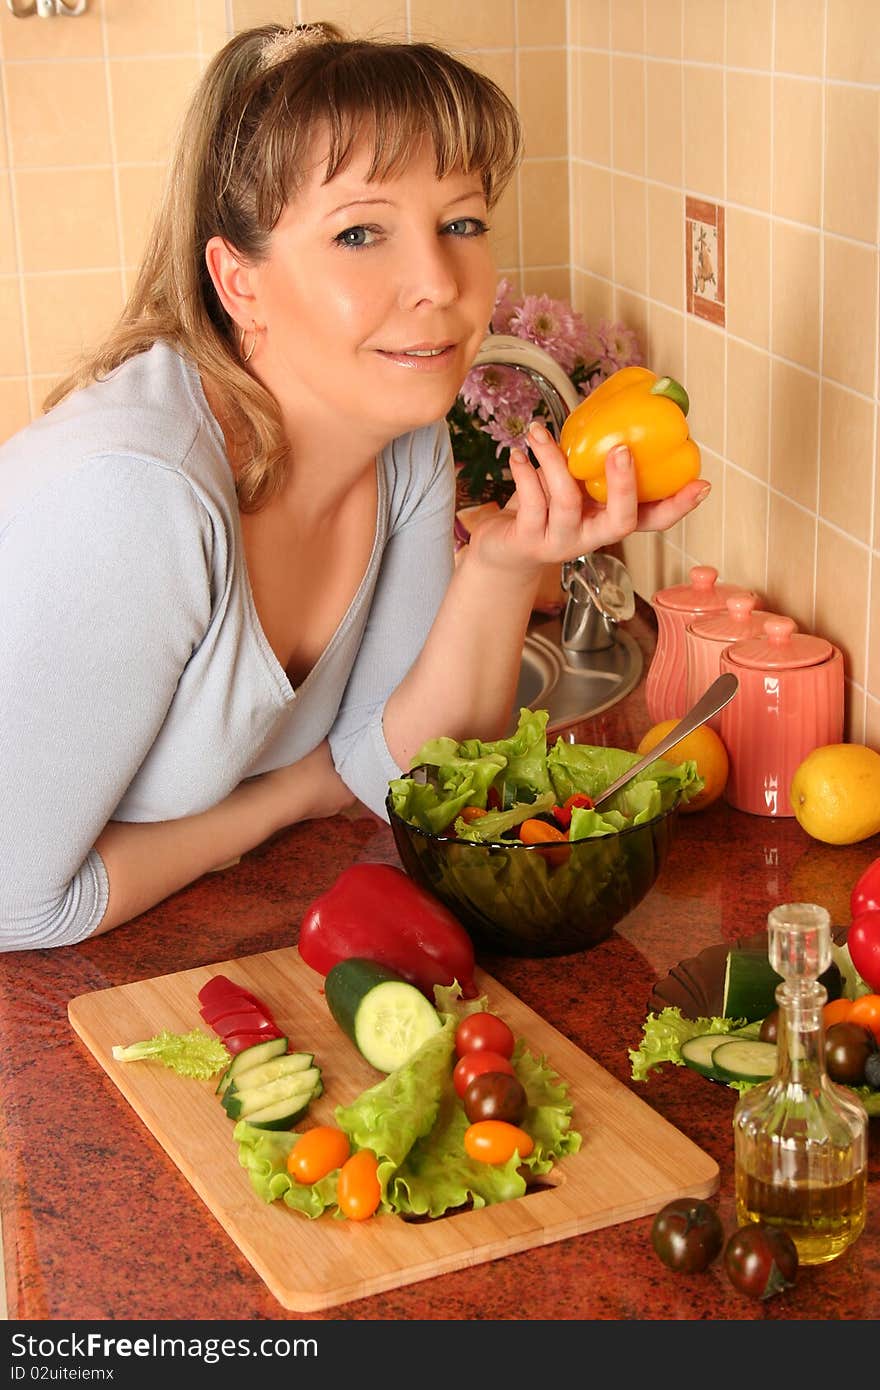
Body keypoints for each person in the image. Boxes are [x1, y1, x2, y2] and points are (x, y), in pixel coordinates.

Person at [0, 23, 709, 952]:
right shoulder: (136, 495)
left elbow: (397, 774)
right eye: (361, 233)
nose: (438, 284)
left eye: (461, 223)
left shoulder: (405, 440)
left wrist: (499, 567)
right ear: (237, 280)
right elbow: (19, 900)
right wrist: (284, 801)